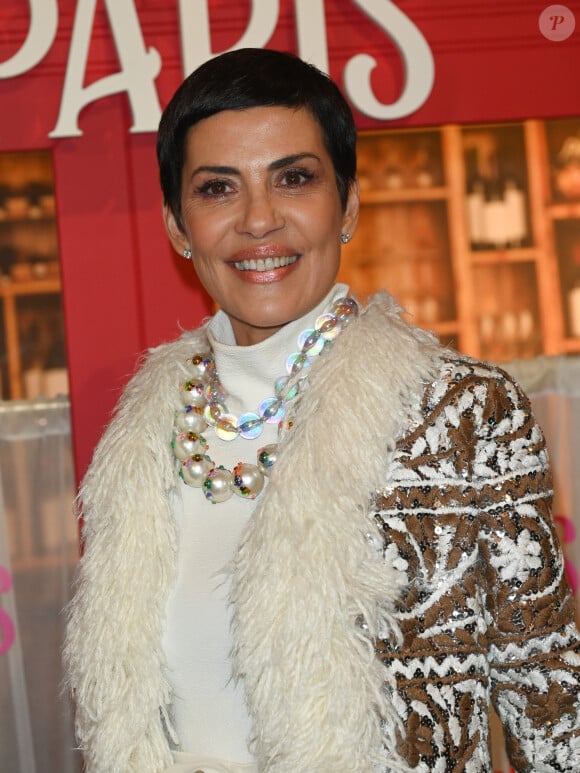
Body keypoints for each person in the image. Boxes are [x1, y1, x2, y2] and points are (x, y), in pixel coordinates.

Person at [64, 48, 580, 773]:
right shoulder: (142, 437)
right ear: (179, 227)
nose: (259, 220)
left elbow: (548, 701)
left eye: (294, 178)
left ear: (348, 205)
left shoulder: (462, 411)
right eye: (218, 189)